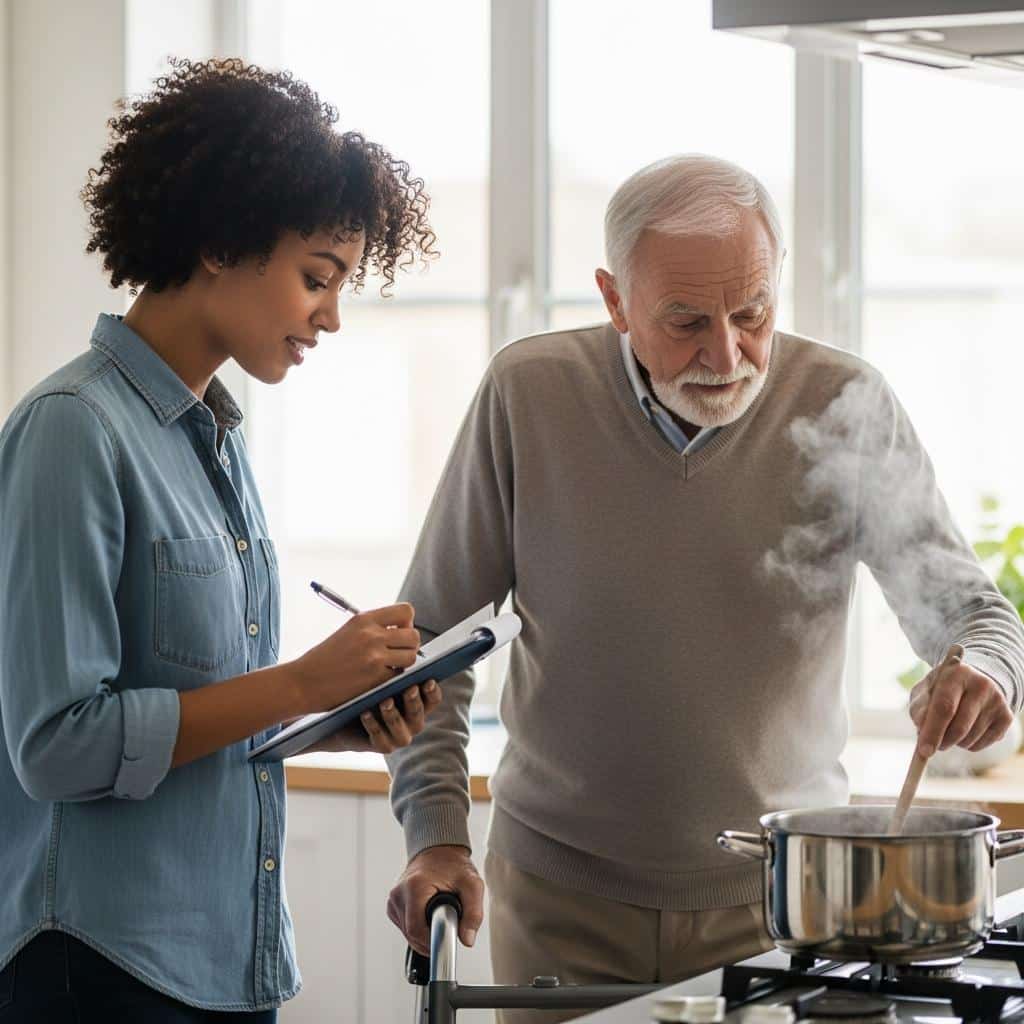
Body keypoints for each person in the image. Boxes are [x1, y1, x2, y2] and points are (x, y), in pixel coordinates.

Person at [383, 154, 1024, 1024]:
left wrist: (989, 668)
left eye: (751, 313)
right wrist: (437, 834)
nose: (726, 354)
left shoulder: (846, 403)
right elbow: (430, 644)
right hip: (561, 899)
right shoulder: (529, 395)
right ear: (615, 301)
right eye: (685, 320)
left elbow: (975, 617)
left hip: (780, 903)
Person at [0, 58, 440, 1022]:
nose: (329, 317)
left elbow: (195, 709)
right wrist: (300, 683)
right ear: (217, 242)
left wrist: (334, 714)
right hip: (101, 967)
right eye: (315, 278)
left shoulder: (216, 444)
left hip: (224, 958)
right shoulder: (72, 429)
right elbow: (55, 745)